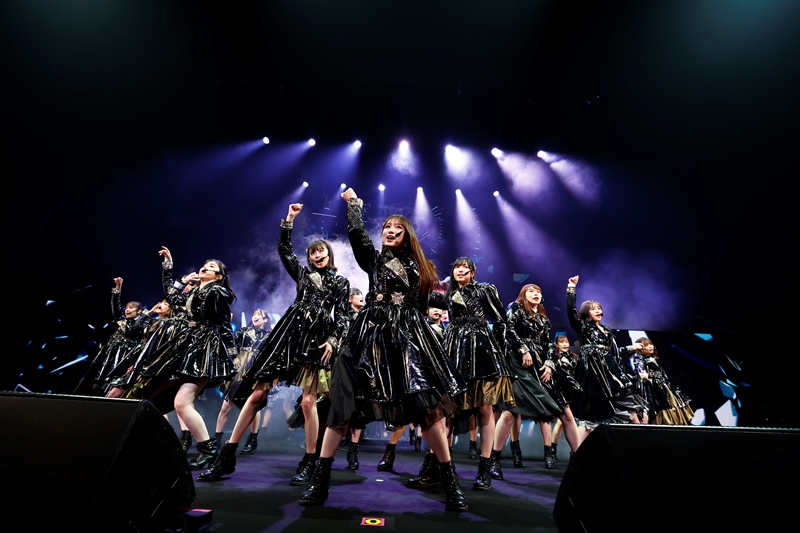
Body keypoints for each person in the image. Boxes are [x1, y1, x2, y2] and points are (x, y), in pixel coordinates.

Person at [297, 187, 469, 512]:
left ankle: (450, 482)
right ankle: (320, 481)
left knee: (428, 409)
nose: (390, 231)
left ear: (407, 236)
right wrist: (354, 204)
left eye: (397, 228)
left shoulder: (421, 268)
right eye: (387, 227)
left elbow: (424, 305)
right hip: (368, 336)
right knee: (342, 407)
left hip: (406, 339)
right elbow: (357, 234)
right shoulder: (374, 260)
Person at [199, 203, 350, 483]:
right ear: (309, 257)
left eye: (321, 251)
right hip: (289, 334)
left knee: (308, 403)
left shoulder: (341, 283)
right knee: (257, 395)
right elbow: (284, 250)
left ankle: (310, 459)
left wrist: (332, 340)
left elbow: (342, 316)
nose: (317, 255)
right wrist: (289, 219)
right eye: (313, 252)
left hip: (317, 340)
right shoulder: (302, 275)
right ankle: (227, 454)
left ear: (329, 255)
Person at [131, 246, 238, 470]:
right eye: (204, 265)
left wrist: (232, 356)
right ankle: (154, 440)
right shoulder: (194, 293)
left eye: (211, 267)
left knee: (180, 402)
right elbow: (171, 296)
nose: (205, 267)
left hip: (205, 350)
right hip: (187, 348)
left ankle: (207, 449)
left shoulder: (218, 293)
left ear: (219, 276)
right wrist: (168, 266)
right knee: (151, 392)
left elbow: (224, 324)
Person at [440, 257, 515, 491]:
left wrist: (499, 349)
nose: (460, 270)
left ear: (473, 272)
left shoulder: (484, 289)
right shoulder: (448, 294)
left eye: (465, 267)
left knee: (485, 408)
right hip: (454, 349)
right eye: (456, 266)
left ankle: (485, 465)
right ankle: (443, 467)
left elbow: (501, 319)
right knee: (448, 408)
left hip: (481, 350)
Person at [565, 275, 645, 428]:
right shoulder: (582, 326)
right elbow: (571, 311)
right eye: (593, 309)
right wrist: (571, 288)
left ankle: (637, 430)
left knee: (625, 397)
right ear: (586, 312)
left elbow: (614, 353)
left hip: (609, 369)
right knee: (599, 403)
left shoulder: (606, 330)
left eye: (599, 308)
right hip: (593, 369)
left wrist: (631, 348)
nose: (598, 311)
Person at [73, 277, 148, 396]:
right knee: (97, 375)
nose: (127, 310)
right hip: (109, 350)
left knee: (111, 378)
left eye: (131, 308)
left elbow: (134, 332)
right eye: (126, 308)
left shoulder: (143, 324)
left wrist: (145, 315)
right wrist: (117, 290)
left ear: (139, 311)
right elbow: (116, 308)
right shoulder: (121, 321)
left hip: (124, 354)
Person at [212, 309, 272, 454]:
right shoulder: (244, 331)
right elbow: (229, 342)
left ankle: (253, 439)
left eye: (259, 315)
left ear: (265, 320)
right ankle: (217, 439)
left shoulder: (269, 336)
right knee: (226, 406)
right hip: (239, 371)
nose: (255, 316)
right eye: (254, 314)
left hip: (255, 371)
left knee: (253, 404)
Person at [633, 337, 694, 425]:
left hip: (663, 385)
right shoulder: (639, 357)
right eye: (647, 345)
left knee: (671, 404)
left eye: (651, 344)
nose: (650, 347)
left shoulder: (653, 358)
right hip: (653, 388)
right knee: (658, 407)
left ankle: (674, 424)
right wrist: (643, 373)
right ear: (640, 348)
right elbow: (640, 368)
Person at [550, 333, 585, 460]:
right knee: (561, 422)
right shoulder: (554, 357)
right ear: (557, 344)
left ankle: (574, 452)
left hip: (573, 392)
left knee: (570, 421)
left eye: (566, 342)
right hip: (561, 392)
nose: (565, 344)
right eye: (562, 342)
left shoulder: (574, 357)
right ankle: (552, 449)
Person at [344, 288, 365, 470]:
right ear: (350, 298)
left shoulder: (365, 316)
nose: (362, 297)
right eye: (359, 295)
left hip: (360, 366)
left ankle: (353, 451)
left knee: (359, 409)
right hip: (345, 362)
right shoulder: (343, 315)